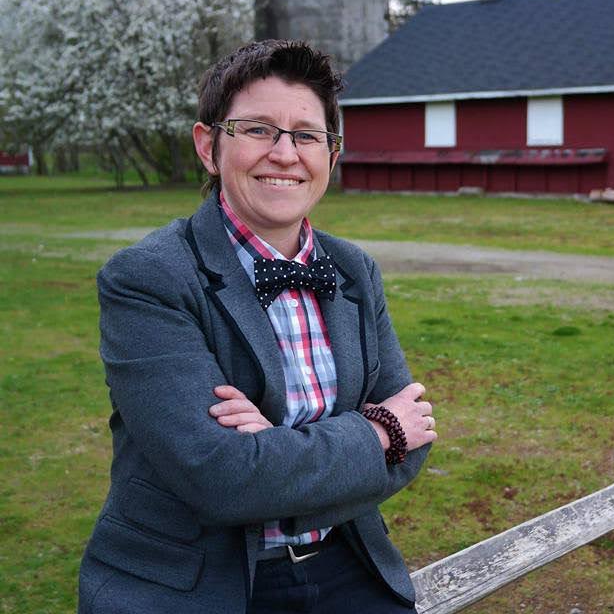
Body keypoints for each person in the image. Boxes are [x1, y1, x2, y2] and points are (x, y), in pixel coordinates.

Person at [78, 40, 436, 614]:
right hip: (199, 587)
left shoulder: (353, 271)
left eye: (306, 134)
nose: (285, 153)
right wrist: (373, 435)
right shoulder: (148, 278)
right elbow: (219, 478)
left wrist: (272, 455)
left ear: (331, 153)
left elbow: (414, 437)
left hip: (346, 564)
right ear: (209, 146)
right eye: (257, 129)